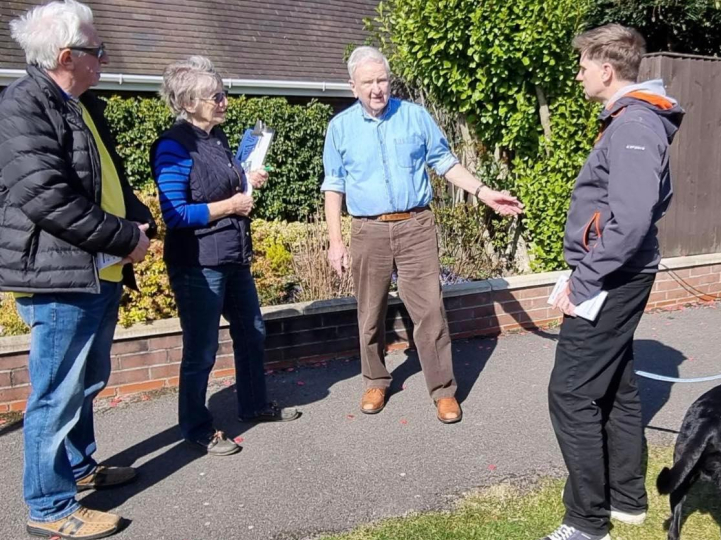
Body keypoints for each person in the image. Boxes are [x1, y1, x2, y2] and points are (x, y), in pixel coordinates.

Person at [0, 1, 157, 537]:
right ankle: (49, 508)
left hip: (97, 270)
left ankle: (82, 466)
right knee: (56, 391)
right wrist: (123, 238)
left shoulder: (81, 105)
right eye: (97, 50)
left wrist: (138, 221)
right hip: (59, 275)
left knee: (87, 381)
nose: (104, 56)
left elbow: (105, 179)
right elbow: (49, 199)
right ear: (67, 56)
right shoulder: (24, 105)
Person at [322, 46, 523, 424]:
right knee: (369, 314)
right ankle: (376, 380)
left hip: (415, 226)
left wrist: (484, 193)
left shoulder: (415, 117)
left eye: (382, 80)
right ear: (353, 87)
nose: (377, 89)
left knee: (429, 313)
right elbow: (334, 186)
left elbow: (446, 163)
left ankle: (444, 391)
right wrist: (336, 241)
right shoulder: (340, 128)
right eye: (368, 83)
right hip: (368, 230)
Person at [542, 24, 684, 540]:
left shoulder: (635, 126)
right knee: (618, 386)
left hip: (614, 279)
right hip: (614, 273)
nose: (578, 74)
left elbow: (630, 220)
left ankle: (586, 522)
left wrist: (583, 282)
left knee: (570, 393)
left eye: (583, 65)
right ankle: (627, 501)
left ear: (606, 69)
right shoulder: (629, 121)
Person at [151, 56, 300, 457]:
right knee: (201, 350)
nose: (224, 102)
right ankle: (196, 427)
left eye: (223, 93)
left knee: (252, 332)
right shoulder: (172, 146)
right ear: (187, 103)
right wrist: (230, 206)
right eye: (215, 96)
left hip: (233, 257)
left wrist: (246, 180)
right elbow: (175, 214)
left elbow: (221, 185)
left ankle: (253, 405)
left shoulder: (215, 140)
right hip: (198, 265)